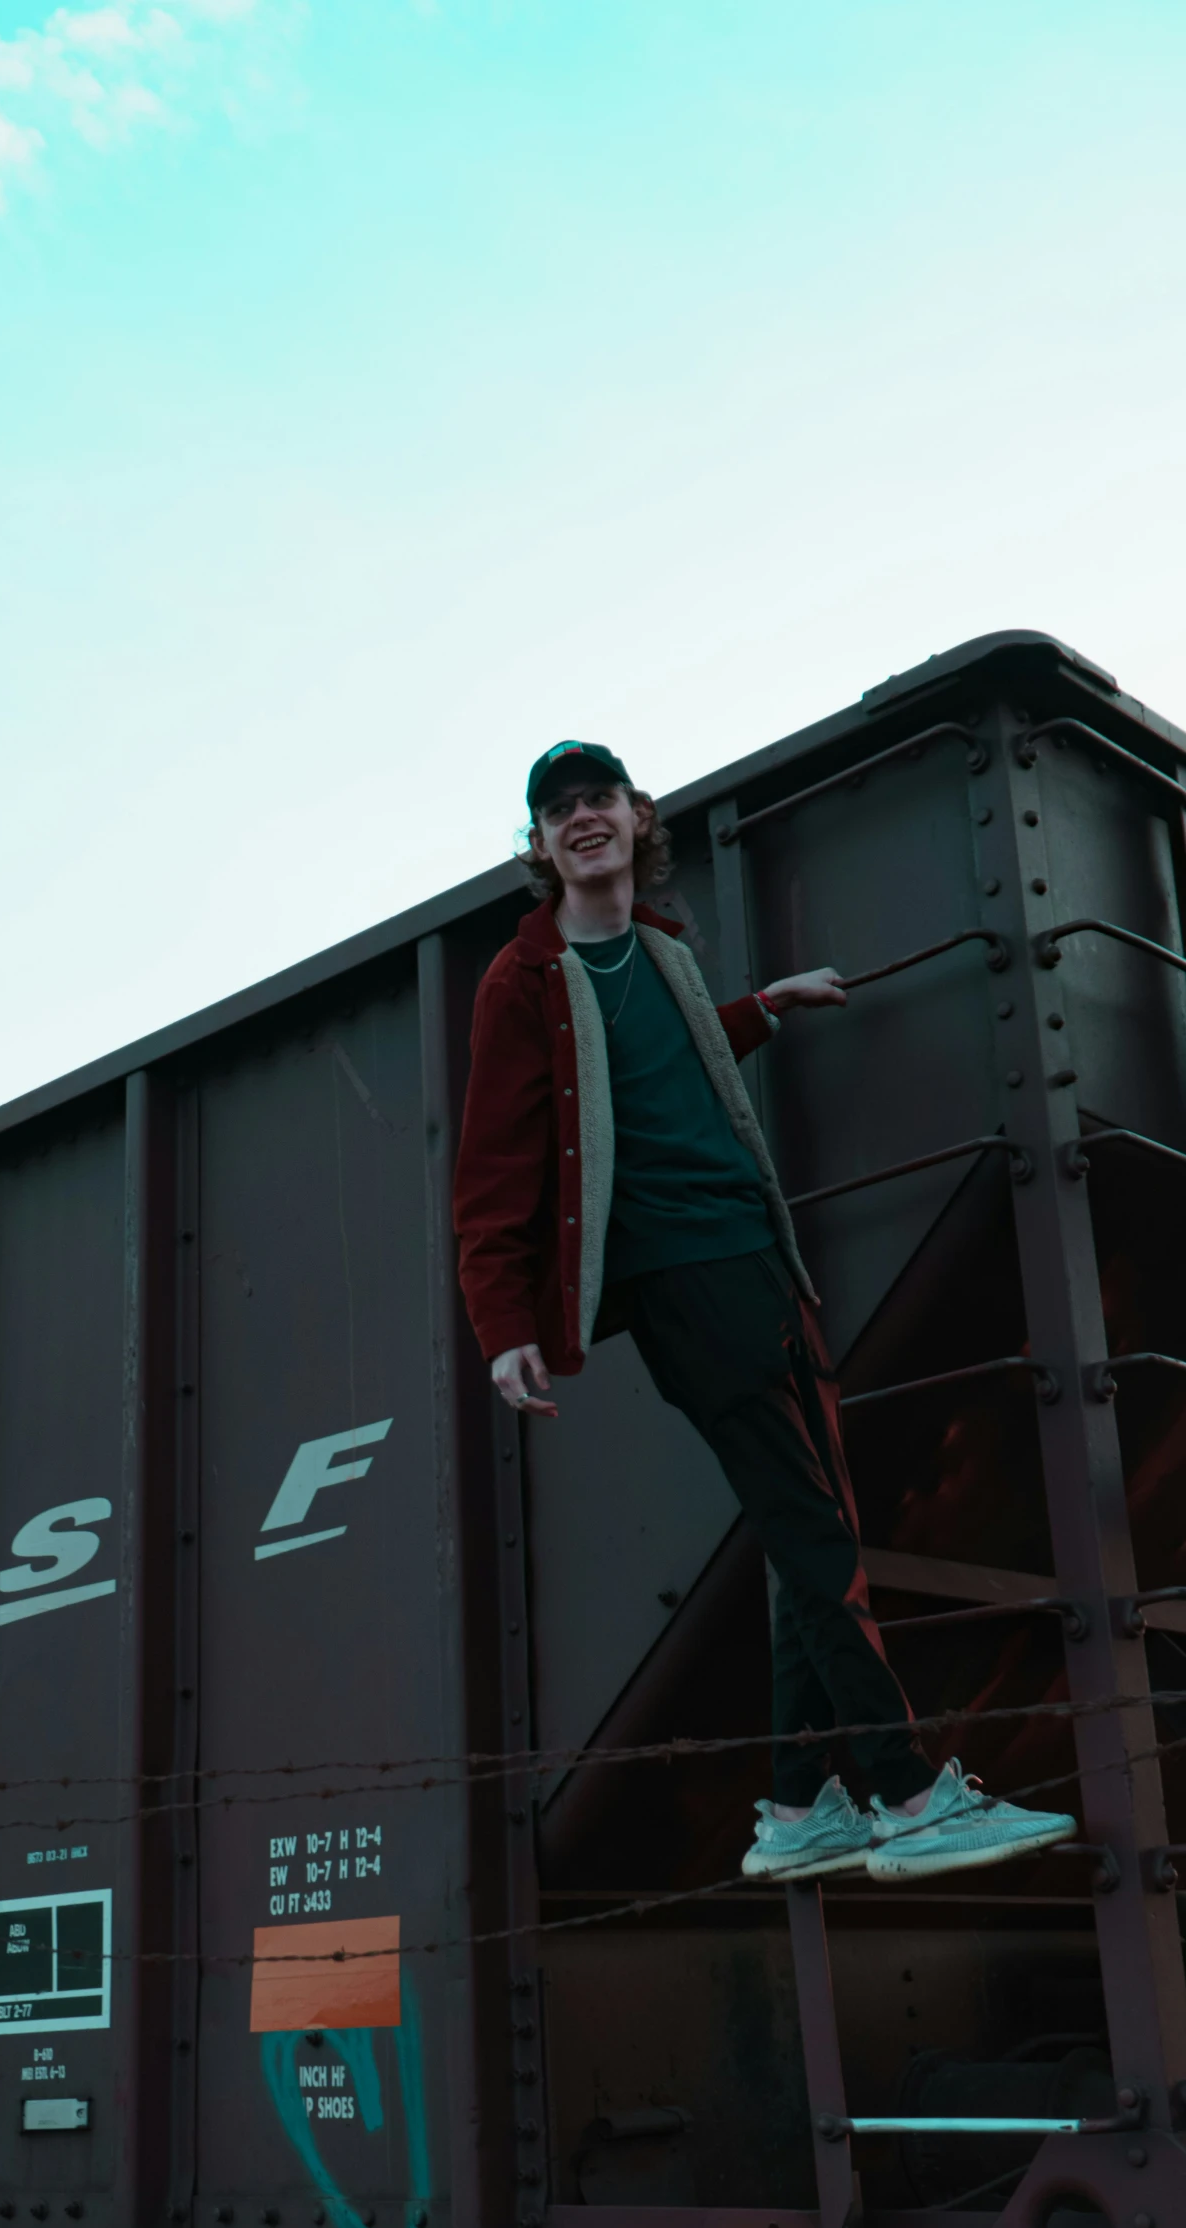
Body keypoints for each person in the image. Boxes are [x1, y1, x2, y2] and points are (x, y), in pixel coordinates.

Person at [452, 739, 1076, 1883]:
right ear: (540, 847)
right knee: (813, 1534)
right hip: (682, 1283)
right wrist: (502, 1329)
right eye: (557, 811)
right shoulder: (523, 981)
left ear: (638, 819)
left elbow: (658, 1062)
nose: (582, 819)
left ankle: (796, 1812)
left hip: (761, 1260)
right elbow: (491, 1170)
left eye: (600, 800)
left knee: (810, 1530)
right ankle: (906, 1794)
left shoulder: (662, 950)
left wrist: (761, 1011)